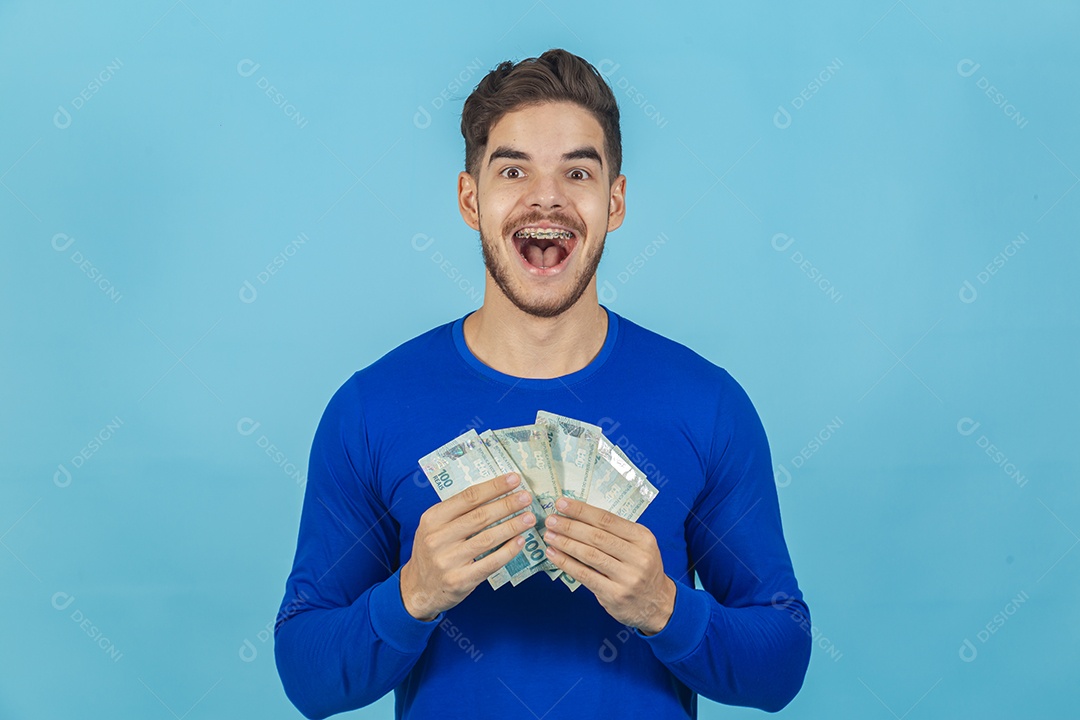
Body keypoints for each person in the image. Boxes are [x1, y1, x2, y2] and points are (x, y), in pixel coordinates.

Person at [274, 48, 811, 720]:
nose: (546, 197)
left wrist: (665, 609)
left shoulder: (708, 406)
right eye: (513, 170)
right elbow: (306, 673)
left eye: (577, 171)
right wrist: (411, 594)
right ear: (471, 199)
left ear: (615, 201)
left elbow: (782, 663)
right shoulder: (368, 409)